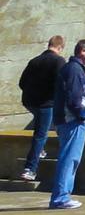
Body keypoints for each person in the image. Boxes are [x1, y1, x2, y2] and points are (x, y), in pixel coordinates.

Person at [49, 38, 85, 210]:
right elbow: (74, 99)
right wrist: (84, 114)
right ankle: (60, 198)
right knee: (69, 158)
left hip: (70, 120)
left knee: (72, 158)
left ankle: (63, 196)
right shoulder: (74, 70)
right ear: (83, 51)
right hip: (72, 121)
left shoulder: (74, 69)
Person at [17, 35, 65, 183]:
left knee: (40, 128)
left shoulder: (34, 61)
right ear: (60, 47)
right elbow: (61, 83)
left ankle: (40, 150)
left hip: (29, 102)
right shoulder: (59, 61)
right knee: (40, 135)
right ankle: (30, 169)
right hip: (46, 104)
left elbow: (22, 82)